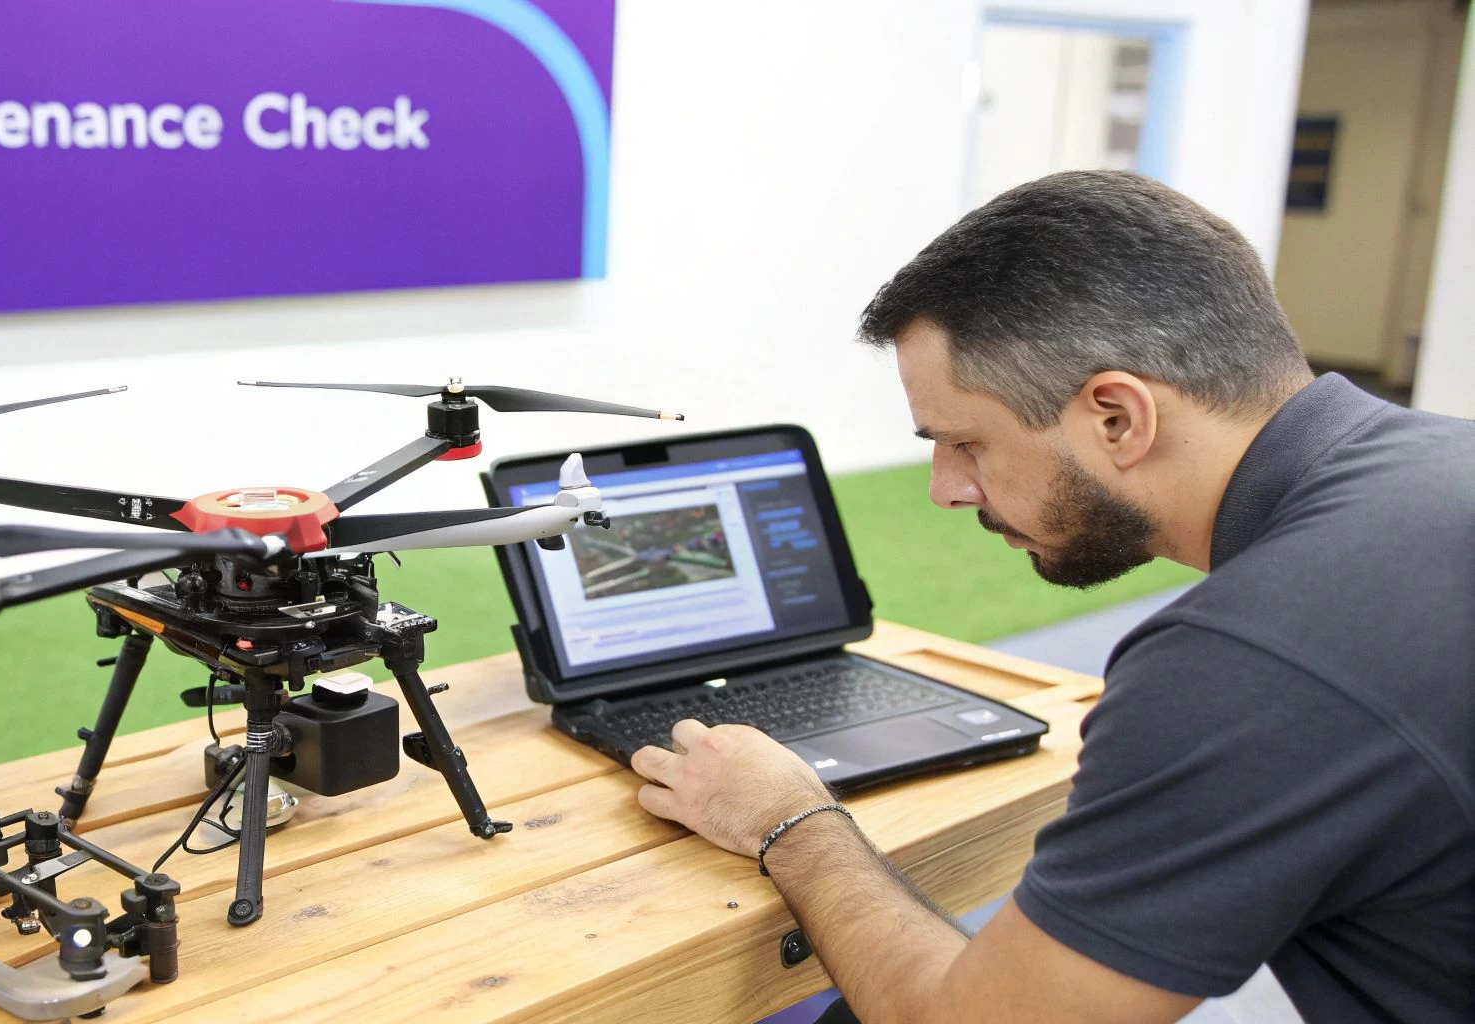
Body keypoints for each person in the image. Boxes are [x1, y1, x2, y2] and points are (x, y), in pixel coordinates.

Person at [628, 170, 1474, 1023]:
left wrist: (790, 818)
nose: (945, 490)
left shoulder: (1252, 657)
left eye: (965, 443)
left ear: (1117, 417)